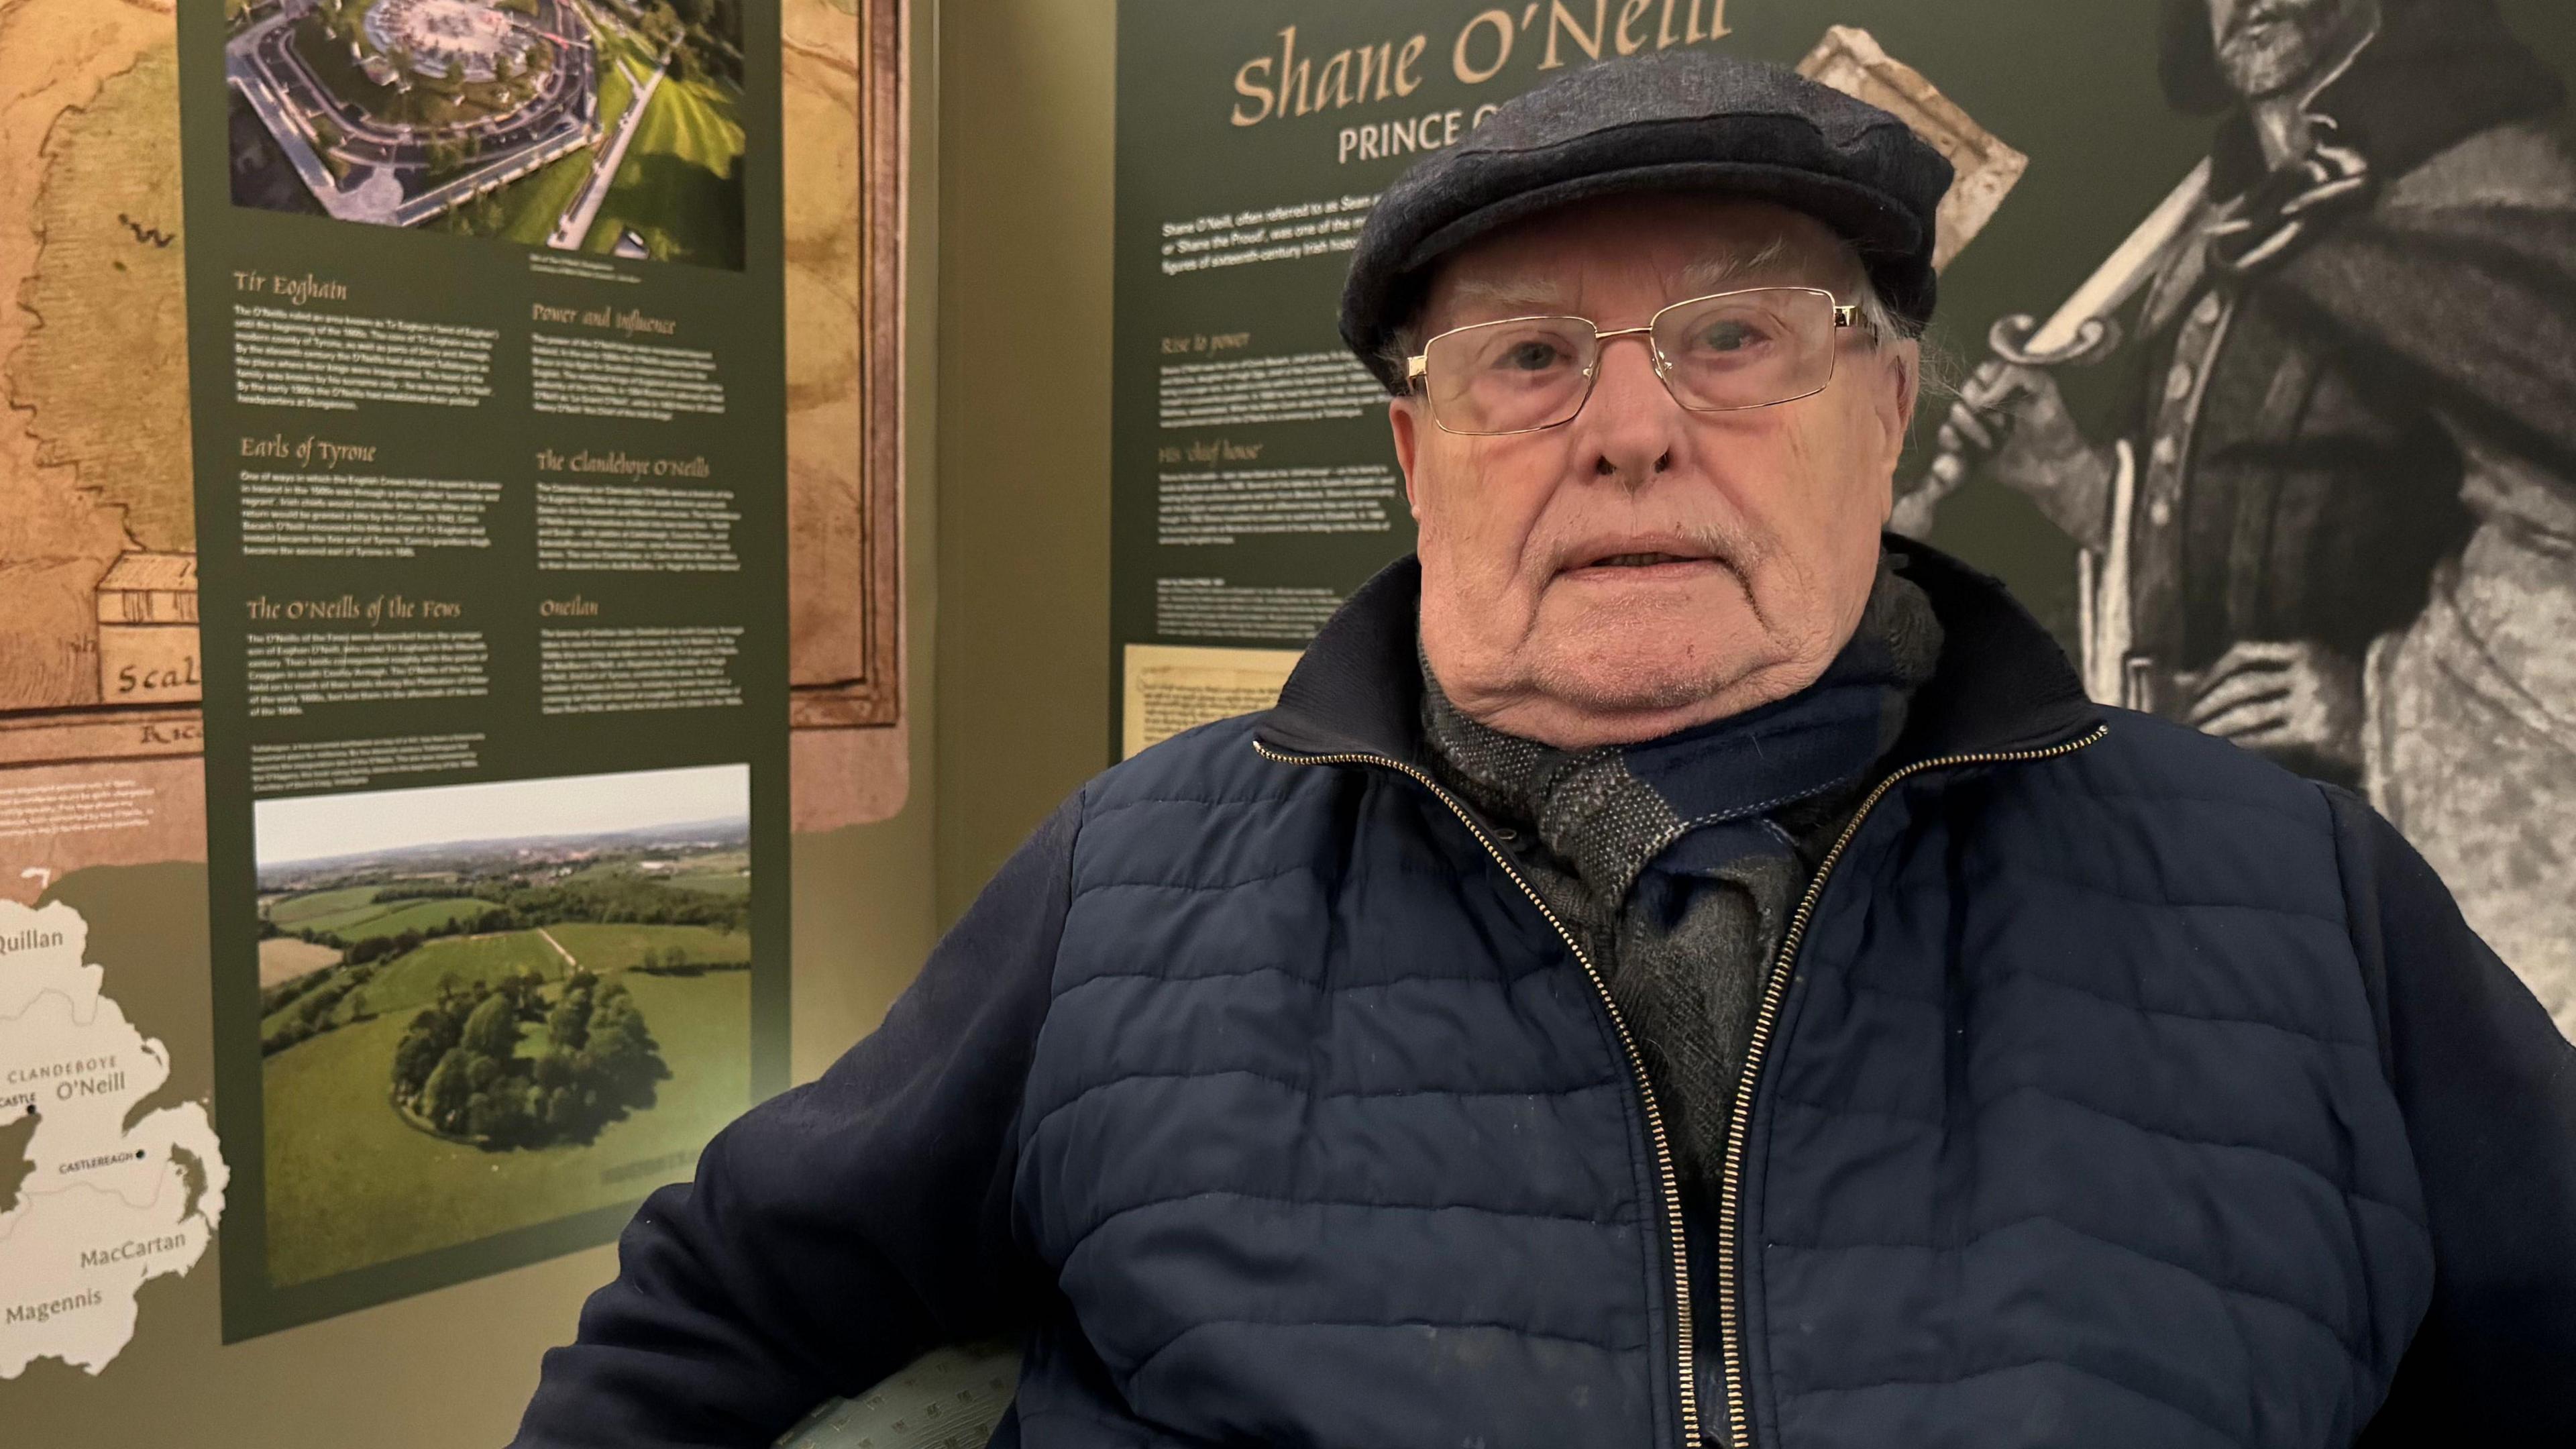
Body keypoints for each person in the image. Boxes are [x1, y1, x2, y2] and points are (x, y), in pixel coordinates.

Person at [513, 52, 2576, 1449]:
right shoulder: (1126, 879)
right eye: (1528, 358)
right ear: (1419, 460)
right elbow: (710, 1321)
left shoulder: (2305, 902)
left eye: (1736, 336)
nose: (1631, 431)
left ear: (1886, 414)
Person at [1938, 0, 2576, 1036]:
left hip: (2387, 869)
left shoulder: (2495, 188)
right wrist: (2073, 482)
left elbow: (2558, 534)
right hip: (2212, 857)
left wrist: (2373, 703)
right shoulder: (2227, 219)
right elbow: (2247, 497)